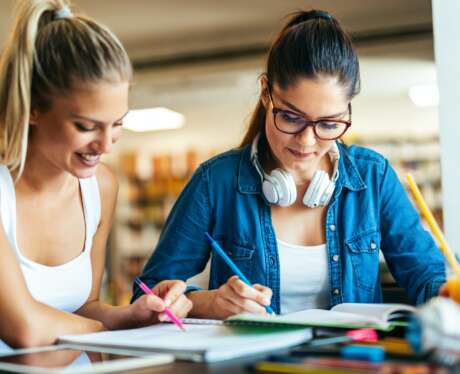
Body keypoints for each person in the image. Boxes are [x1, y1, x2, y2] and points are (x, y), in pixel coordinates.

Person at [133, 10, 446, 319]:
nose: (307, 141)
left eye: (328, 123)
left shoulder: (373, 176)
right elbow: (148, 293)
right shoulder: (215, 182)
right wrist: (208, 303)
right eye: (291, 118)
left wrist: (448, 293)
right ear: (266, 94)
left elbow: (427, 276)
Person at [0, 0, 191, 350]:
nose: (105, 145)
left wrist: (133, 317)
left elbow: (84, 309)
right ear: (33, 108)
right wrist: (119, 335)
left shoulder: (101, 186)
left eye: (118, 123)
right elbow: (23, 327)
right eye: (86, 126)